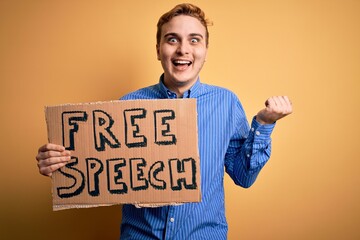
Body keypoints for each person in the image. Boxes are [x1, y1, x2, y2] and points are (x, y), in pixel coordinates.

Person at [36, 3, 292, 239]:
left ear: (205, 51)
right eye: (172, 40)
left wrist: (263, 124)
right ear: (158, 49)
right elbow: (98, 166)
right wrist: (60, 163)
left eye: (194, 40)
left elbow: (243, 177)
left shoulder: (226, 103)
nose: (183, 49)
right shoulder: (127, 106)